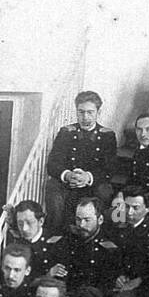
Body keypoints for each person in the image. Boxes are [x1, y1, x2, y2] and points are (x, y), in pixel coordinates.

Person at [44, 90, 118, 229]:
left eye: (90, 112)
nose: (85, 117)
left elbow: (110, 169)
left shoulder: (107, 136)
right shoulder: (66, 132)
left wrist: (88, 178)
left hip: (92, 185)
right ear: (76, 111)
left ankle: (96, 231)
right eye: (81, 112)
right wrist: (67, 175)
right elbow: (53, 164)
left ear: (98, 112)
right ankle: (56, 233)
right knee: (52, 186)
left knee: (105, 190)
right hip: (68, 183)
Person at [60, 197, 122, 292]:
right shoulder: (68, 239)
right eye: (78, 219)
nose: (81, 225)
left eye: (87, 220)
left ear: (100, 220)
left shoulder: (108, 248)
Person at [9, 199, 68, 279]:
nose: (24, 228)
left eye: (29, 223)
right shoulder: (17, 245)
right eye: (20, 224)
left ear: (41, 221)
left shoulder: (56, 240)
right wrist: (49, 274)